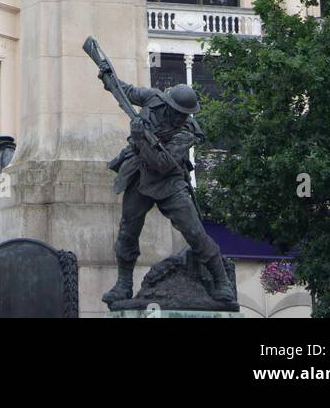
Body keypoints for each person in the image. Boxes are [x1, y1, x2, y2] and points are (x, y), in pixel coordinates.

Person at [97, 69, 235, 305]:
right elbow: (127, 91)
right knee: (127, 232)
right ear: (169, 105)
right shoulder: (154, 98)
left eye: (186, 114)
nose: (181, 117)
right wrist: (109, 78)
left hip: (169, 181)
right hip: (139, 176)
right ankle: (123, 285)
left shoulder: (186, 133)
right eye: (179, 112)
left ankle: (222, 282)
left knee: (194, 232)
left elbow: (162, 164)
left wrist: (140, 138)